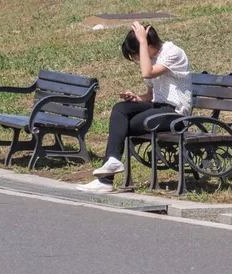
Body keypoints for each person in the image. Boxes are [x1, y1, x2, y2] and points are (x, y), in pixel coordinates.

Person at [77, 22, 192, 193]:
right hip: (158, 107)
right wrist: (137, 98)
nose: (137, 59)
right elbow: (151, 95)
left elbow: (147, 72)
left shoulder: (173, 52)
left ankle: (106, 180)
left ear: (146, 45)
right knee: (120, 109)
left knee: (125, 126)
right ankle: (111, 165)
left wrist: (142, 42)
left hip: (176, 114)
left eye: (135, 55)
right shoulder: (151, 57)